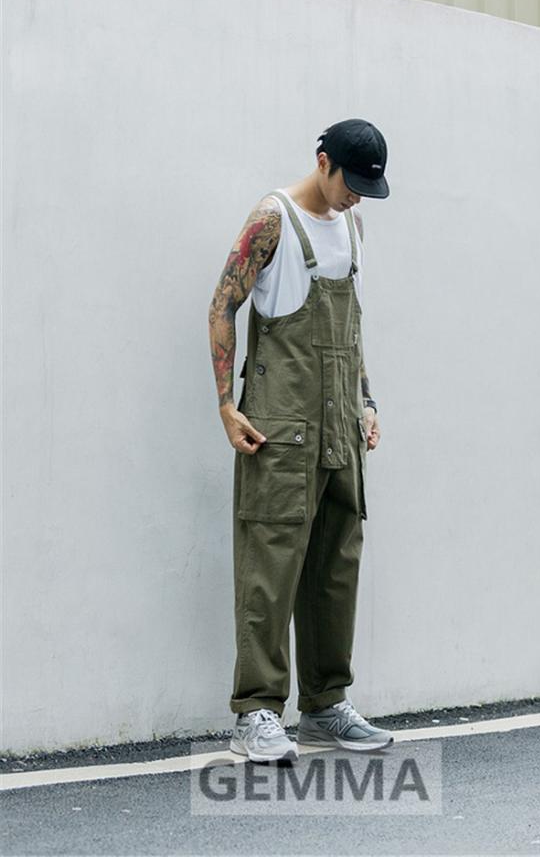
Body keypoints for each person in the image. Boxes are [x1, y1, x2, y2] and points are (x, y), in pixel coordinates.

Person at [208, 118, 393, 763]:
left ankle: (325, 706)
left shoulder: (353, 226)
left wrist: (367, 401)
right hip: (280, 430)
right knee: (271, 570)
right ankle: (255, 714)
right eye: (351, 181)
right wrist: (226, 405)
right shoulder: (274, 220)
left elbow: (353, 328)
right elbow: (222, 304)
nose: (356, 195)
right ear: (323, 162)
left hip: (342, 427)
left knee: (336, 567)